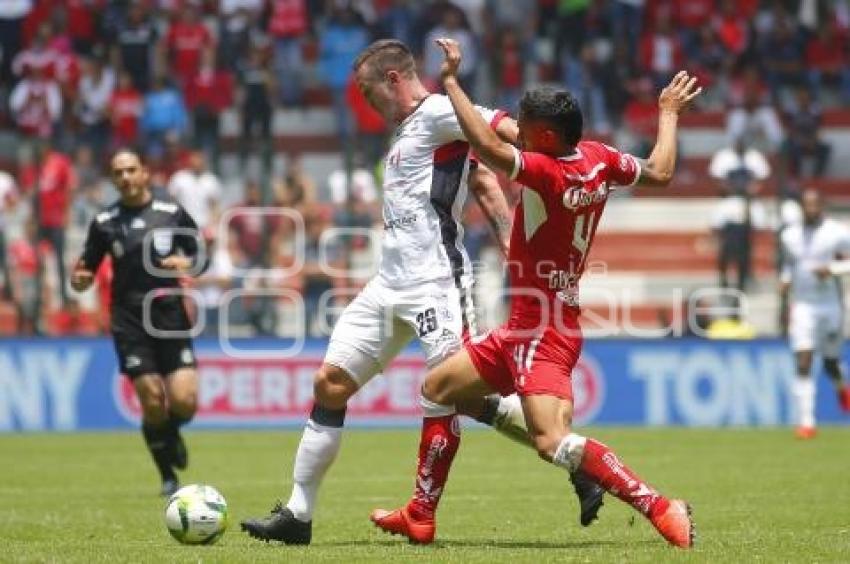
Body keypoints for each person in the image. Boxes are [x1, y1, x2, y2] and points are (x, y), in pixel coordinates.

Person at [240, 39, 603, 546]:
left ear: (393, 80)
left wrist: (520, 222)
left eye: (366, 91)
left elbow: (508, 132)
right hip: (387, 285)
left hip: (438, 283)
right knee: (331, 384)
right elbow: (477, 179)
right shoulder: (412, 134)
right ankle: (298, 515)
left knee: (459, 396)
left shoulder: (437, 110)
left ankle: (562, 460)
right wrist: (504, 233)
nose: (363, 103)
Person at [369, 38, 700, 548]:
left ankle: (659, 505)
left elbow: (484, 147)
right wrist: (668, 112)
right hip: (527, 325)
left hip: (540, 331)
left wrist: (452, 83)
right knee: (438, 388)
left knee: (552, 441)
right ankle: (420, 513)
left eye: (523, 127)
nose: (516, 131)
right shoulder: (598, 158)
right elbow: (660, 170)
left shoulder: (547, 171)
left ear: (545, 135)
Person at [70, 149, 205, 496]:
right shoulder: (105, 222)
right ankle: (167, 476)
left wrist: (186, 262)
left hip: (169, 313)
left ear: (145, 172)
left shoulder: (170, 212)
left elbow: (200, 254)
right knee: (150, 398)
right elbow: (86, 266)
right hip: (129, 317)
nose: (126, 177)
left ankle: (170, 433)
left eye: (132, 170)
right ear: (113, 180)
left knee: (184, 400)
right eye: (119, 173)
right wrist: (80, 279)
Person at [780, 189, 850, 440]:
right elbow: (790, 263)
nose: (810, 209)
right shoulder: (790, 235)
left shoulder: (837, 233)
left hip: (830, 306)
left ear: (822, 206)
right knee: (804, 361)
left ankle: (842, 387)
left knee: (831, 363)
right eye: (806, 205)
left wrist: (833, 269)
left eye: (814, 205)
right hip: (803, 306)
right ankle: (807, 422)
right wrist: (785, 280)